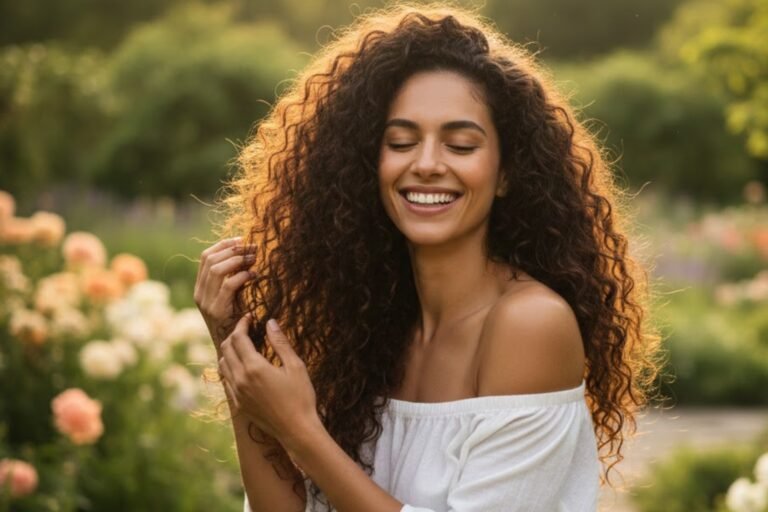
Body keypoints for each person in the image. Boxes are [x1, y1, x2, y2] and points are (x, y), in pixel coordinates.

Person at [194, 4, 662, 511]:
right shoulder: (364, 327)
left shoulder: (529, 326)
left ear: (507, 174)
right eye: (401, 141)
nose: (427, 164)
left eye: (460, 145)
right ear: (367, 164)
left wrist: (302, 430)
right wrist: (235, 348)